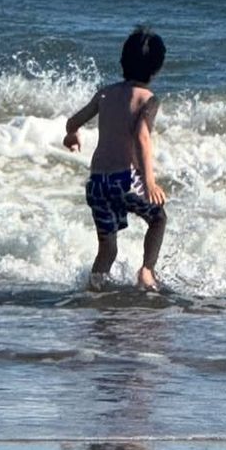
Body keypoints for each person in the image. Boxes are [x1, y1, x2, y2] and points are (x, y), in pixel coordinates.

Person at [65, 28, 168, 291]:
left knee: (107, 248)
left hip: (98, 183)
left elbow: (72, 121)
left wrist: (72, 136)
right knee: (158, 219)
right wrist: (149, 182)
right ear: (157, 68)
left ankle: (94, 289)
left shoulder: (105, 94)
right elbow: (142, 138)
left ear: (123, 61)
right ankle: (147, 270)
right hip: (125, 180)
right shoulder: (148, 99)